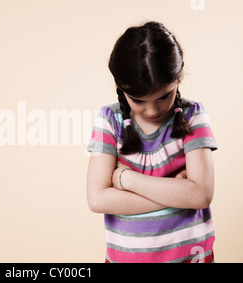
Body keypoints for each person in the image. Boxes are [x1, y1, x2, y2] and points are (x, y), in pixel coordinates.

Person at [86, 21, 218, 263]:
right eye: (138, 100)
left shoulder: (192, 116)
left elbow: (200, 195)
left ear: (179, 74)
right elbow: (98, 199)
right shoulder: (110, 120)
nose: (152, 109)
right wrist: (177, 194)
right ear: (120, 86)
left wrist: (127, 180)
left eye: (164, 95)